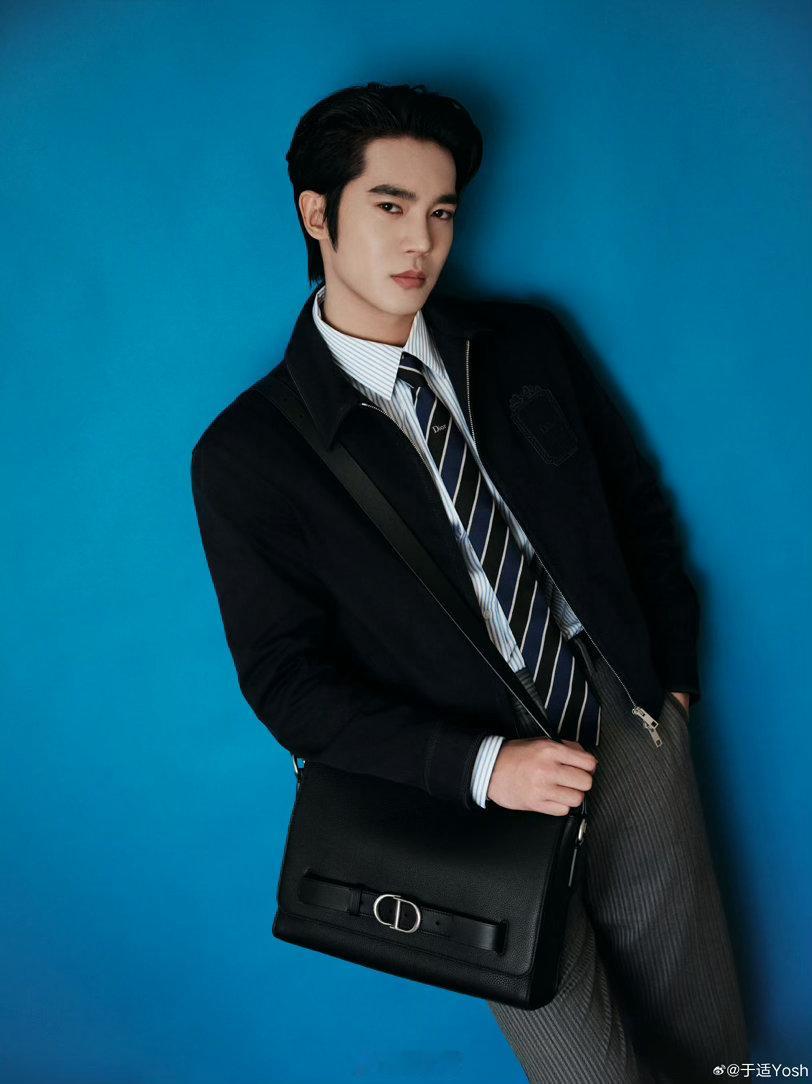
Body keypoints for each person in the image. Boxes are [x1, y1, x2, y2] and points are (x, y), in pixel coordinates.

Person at [190, 81, 748, 1083]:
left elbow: (634, 504)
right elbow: (285, 681)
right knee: (589, 1072)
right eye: (390, 205)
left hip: (623, 727)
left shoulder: (524, 344)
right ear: (316, 214)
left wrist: (665, 677)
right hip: (467, 803)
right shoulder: (248, 454)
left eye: (441, 211)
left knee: (712, 1051)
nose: (422, 241)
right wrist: (485, 767)